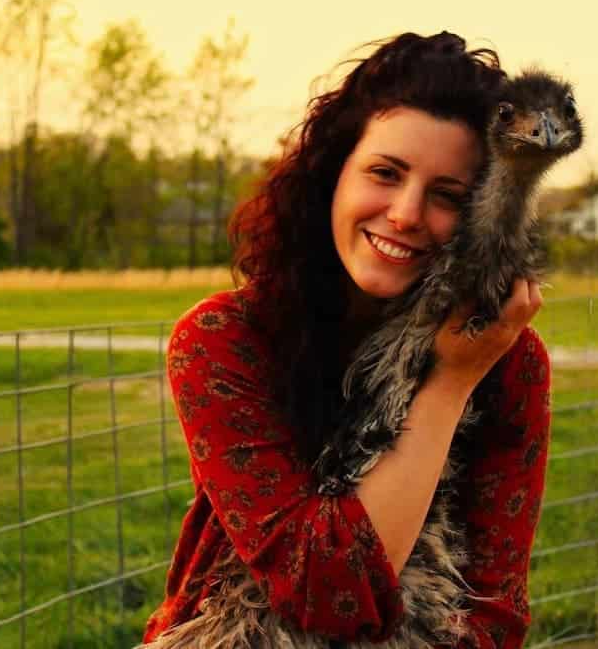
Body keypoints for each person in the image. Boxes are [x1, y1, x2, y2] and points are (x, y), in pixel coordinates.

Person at [143, 32, 551, 648]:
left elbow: (495, 608)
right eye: (385, 173)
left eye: (448, 196)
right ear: (334, 174)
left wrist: (466, 371)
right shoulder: (222, 341)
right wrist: (448, 387)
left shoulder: (508, 360)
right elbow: (323, 591)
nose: (407, 214)